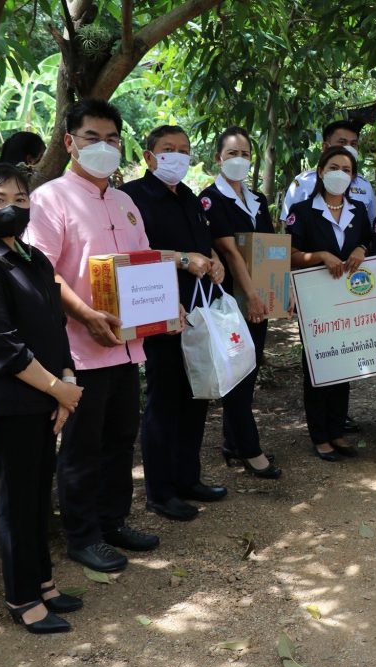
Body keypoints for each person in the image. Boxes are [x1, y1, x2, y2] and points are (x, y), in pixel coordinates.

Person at [27, 98, 159, 572]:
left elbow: (145, 266)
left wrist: (167, 306)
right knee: (83, 444)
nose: (104, 146)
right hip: (79, 349)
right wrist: (85, 315)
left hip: (127, 346)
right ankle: (82, 536)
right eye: (92, 137)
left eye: (112, 139)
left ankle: (112, 521)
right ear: (69, 142)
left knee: (121, 437)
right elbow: (42, 271)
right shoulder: (50, 199)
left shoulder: (125, 202)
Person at [0, 164, 84, 634]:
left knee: (36, 496)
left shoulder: (34, 257)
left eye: (21, 198)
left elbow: (55, 325)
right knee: (18, 499)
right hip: (12, 402)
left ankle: (43, 583)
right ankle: (22, 597)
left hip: (47, 395)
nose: (12, 207)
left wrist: (65, 379)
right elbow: (2, 347)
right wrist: (59, 389)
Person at [119, 125, 228, 521]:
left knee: (196, 394)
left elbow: (202, 245)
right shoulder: (131, 198)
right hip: (159, 311)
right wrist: (182, 261)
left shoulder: (190, 197)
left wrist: (214, 260)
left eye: (184, 149)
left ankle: (188, 478)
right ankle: (160, 492)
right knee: (164, 400)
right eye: (168, 148)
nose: (177, 156)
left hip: (198, 311)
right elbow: (133, 254)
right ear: (149, 155)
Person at [200, 126, 283, 479]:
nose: (239, 159)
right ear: (218, 158)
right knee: (237, 373)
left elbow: (269, 250)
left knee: (250, 368)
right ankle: (250, 450)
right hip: (230, 301)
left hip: (258, 300)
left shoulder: (257, 199)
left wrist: (276, 297)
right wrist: (251, 297)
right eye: (232, 153)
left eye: (245, 154)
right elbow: (231, 253)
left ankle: (233, 442)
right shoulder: (210, 199)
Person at [281, 120, 374, 434]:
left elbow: (370, 241)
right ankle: (320, 434)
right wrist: (320, 256)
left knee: (345, 361)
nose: (340, 174)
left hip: (349, 298)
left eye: (346, 170)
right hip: (315, 299)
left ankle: (337, 428)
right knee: (317, 364)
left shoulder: (358, 210)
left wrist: (362, 247)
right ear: (320, 171)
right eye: (334, 167)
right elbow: (289, 255)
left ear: (353, 177)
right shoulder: (302, 211)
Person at [281, 119, 376, 222]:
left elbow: (371, 224)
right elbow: (288, 225)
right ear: (326, 147)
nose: (349, 148)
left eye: (353, 144)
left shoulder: (364, 186)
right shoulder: (303, 183)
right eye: (342, 142)